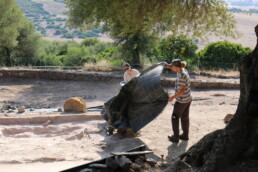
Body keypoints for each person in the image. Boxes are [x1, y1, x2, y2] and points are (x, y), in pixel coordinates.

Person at [164, 59, 192, 143]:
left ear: (176, 67)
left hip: (181, 101)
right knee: (184, 118)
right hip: (188, 98)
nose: (171, 68)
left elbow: (182, 90)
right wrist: (166, 65)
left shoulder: (181, 77)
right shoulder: (182, 69)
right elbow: (172, 67)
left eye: (173, 67)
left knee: (175, 117)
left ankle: (175, 137)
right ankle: (185, 135)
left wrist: (172, 97)